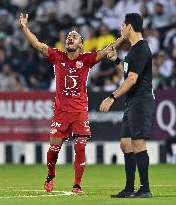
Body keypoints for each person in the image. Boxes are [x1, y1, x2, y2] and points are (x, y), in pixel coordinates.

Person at [19, 13, 124, 194]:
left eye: (74, 37)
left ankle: (77, 185)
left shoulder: (86, 60)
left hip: (79, 111)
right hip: (61, 111)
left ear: (81, 44)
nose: (70, 38)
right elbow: (37, 45)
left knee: (80, 146)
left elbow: (109, 49)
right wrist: (24, 28)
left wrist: (125, 36)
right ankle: (51, 175)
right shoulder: (57, 57)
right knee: (53, 150)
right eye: (69, 37)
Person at [100, 13, 154, 198]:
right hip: (132, 101)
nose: (121, 28)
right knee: (125, 144)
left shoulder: (141, 49)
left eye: (123, 25)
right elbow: (126, 71)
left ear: (129, 27)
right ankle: (129, 188)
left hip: (140, 100)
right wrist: (116, 60)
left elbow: (132, 79)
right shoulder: (133, 50)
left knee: (138, 142)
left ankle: (145, 188)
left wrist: (112, 97)